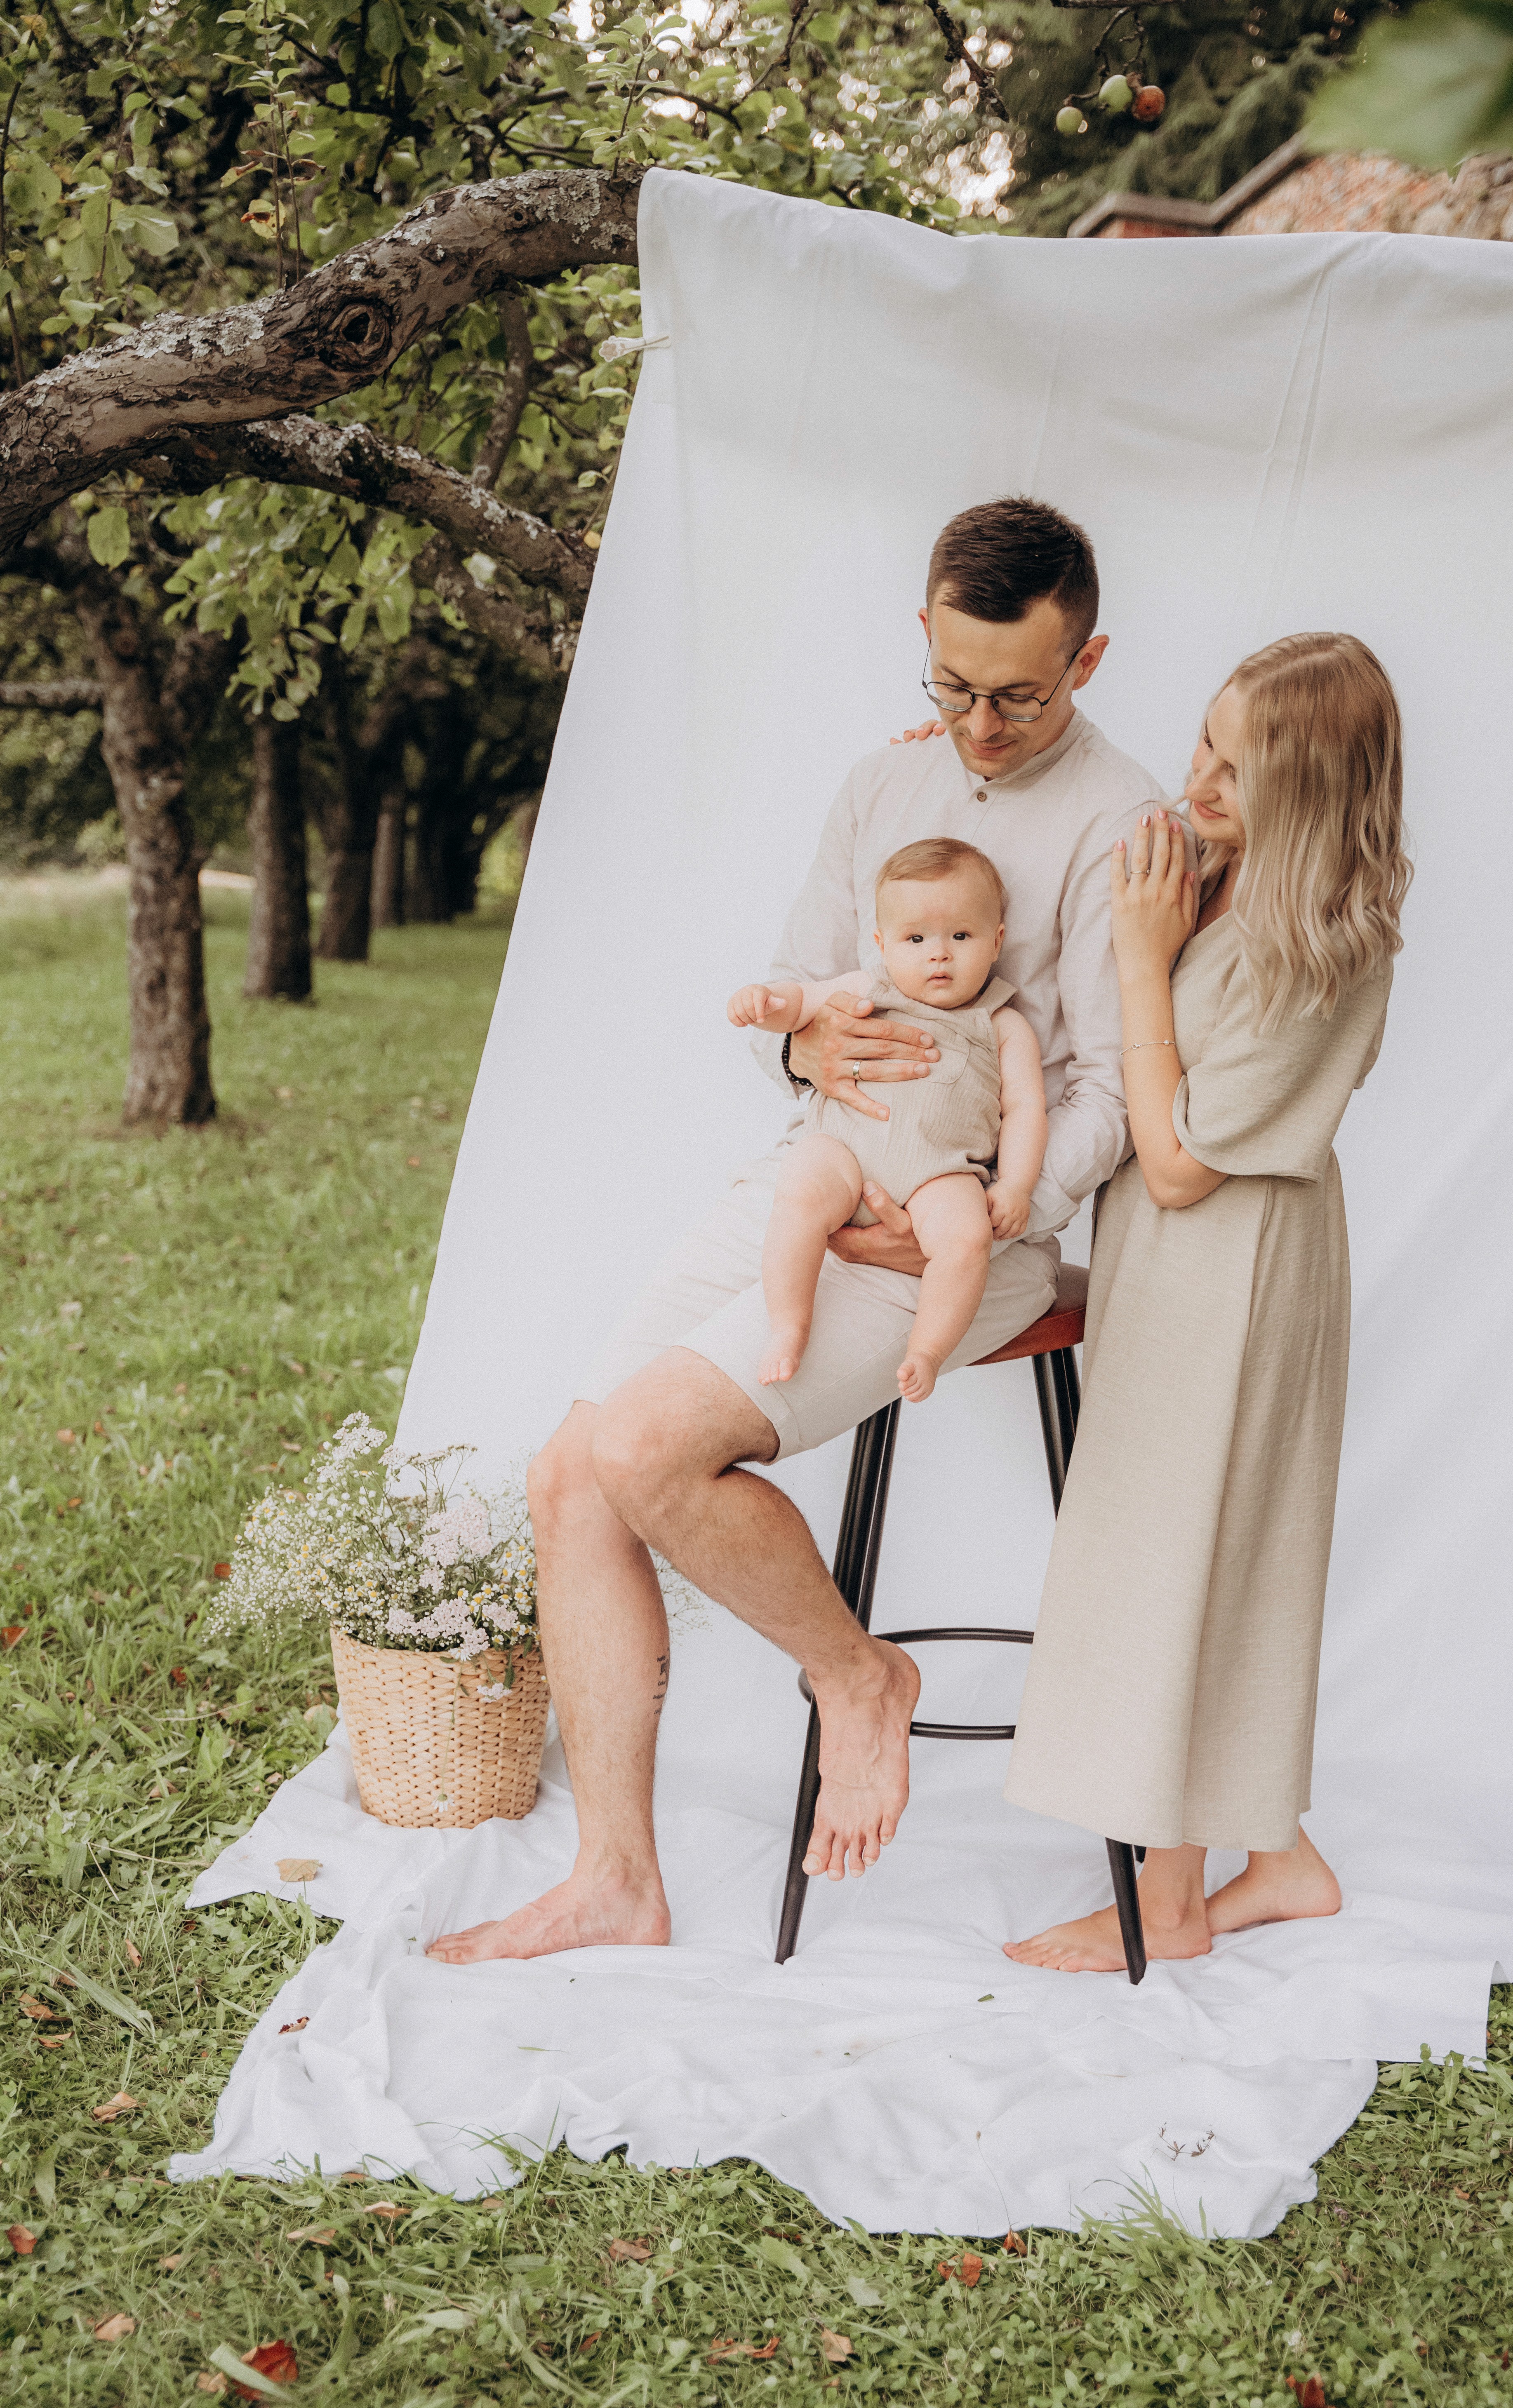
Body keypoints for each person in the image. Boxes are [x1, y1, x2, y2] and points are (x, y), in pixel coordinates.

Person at [428, 496, 1165, 1965]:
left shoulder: (1122, 824)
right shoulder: (879, 784)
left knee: (647, 1450)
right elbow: (791, 988)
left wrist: (996, 1206)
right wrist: (804, 1048)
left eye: (1019, 694)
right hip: (814, 1173)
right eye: (952, 688)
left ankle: (855, 1678)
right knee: (573, 1471)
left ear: (1089, 661)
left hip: (970, 1233)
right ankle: (618, 1882)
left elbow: (1106, 1091)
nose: (982, 725)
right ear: (925, 642)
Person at [1002, 632, 1412, 1973]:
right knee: (1188, 1550)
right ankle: (1277, 1856)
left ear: (1312, 793)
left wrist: (1139, 960)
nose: (1200, 780)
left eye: (1238, 769)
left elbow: (1176, 1164)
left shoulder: (1321, 946)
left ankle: (1171, 1907)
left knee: (1192, 1560)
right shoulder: (1213, 875)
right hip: (1175, 1270)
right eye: (1204, 744)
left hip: (1236, 1270)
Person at [726, 838, 1047, 1403]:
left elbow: (1024, 1109)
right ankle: (789, 1324)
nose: (938, 955)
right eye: (916, 939)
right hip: (844, 1151)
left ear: (997, 941)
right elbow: (801, 1002)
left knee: (968, 1239)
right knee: (798, 1195)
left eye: (961, 937)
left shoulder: (1002, 1025)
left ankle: (927, 1348)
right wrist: (766, 1000)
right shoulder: (864, 987)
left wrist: (1017, 1184)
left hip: (939, 1173)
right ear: (882, 944)